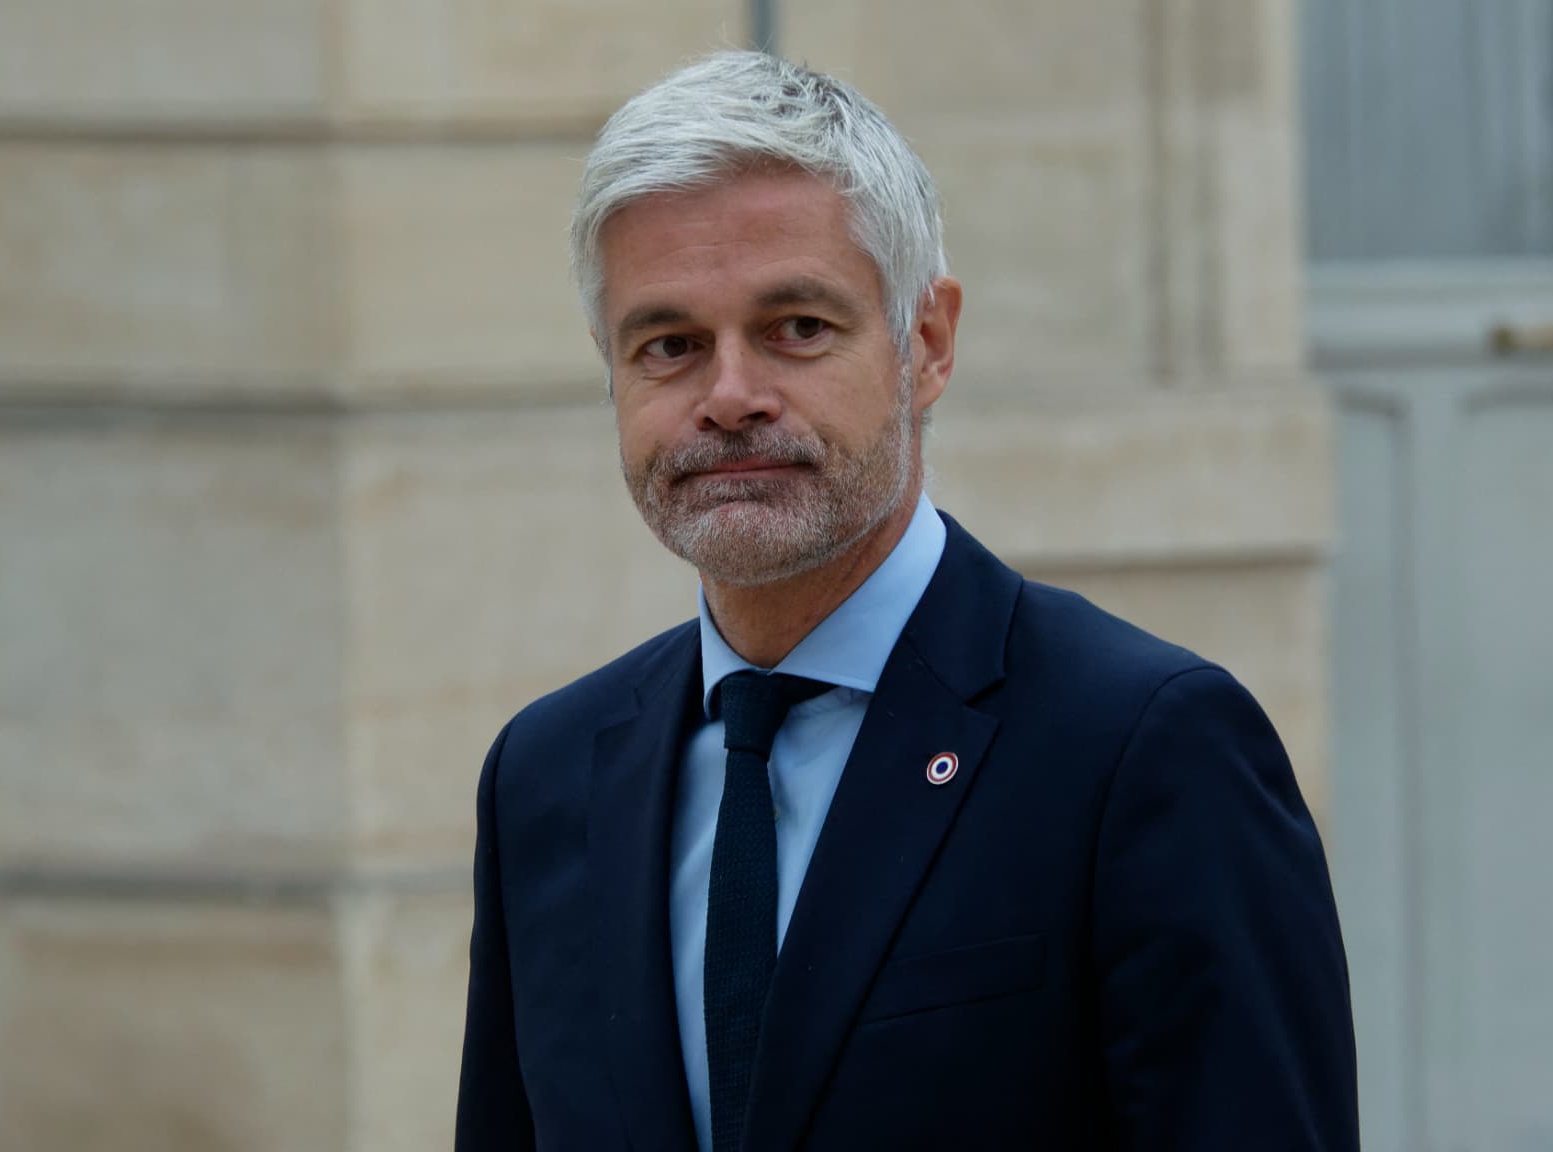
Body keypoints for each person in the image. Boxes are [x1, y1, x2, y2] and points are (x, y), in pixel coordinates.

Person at [455, 50, 1358, 1151]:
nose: (728, 397)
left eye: (796, 328)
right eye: (670, 346)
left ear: (924, 346)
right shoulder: (545, 776)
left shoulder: (1142, 749)